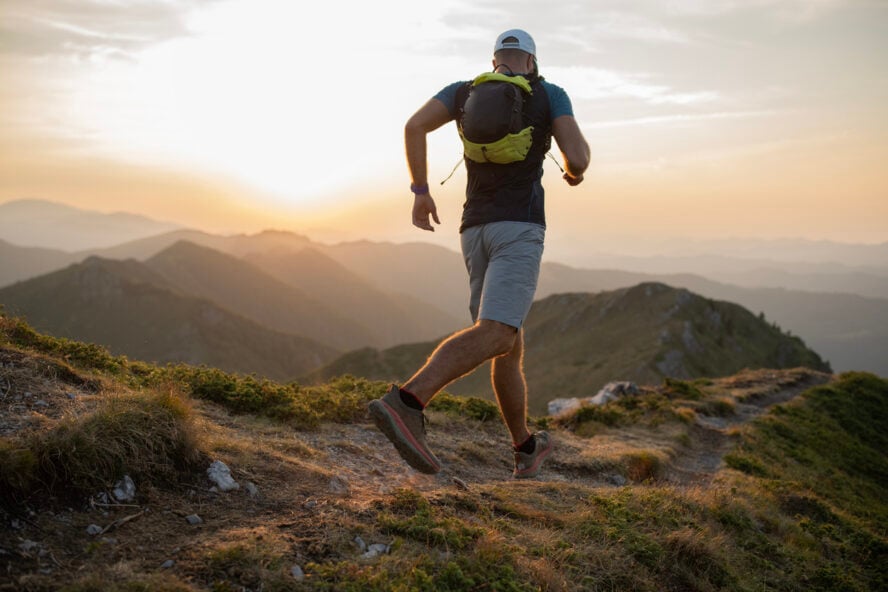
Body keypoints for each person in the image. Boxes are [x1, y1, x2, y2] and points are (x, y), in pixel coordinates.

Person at [368, 29, 590, 479]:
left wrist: (421, 192)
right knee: (497, 333)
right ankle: (406, 402)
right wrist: (573, 172)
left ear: (495, 62)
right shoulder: (549, 93)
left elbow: (414, 126)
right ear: (532, 61)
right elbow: (578, 158)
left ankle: (525, 447)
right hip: (519, 228)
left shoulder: (465, 92)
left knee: (506, 345)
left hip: (474, 231)